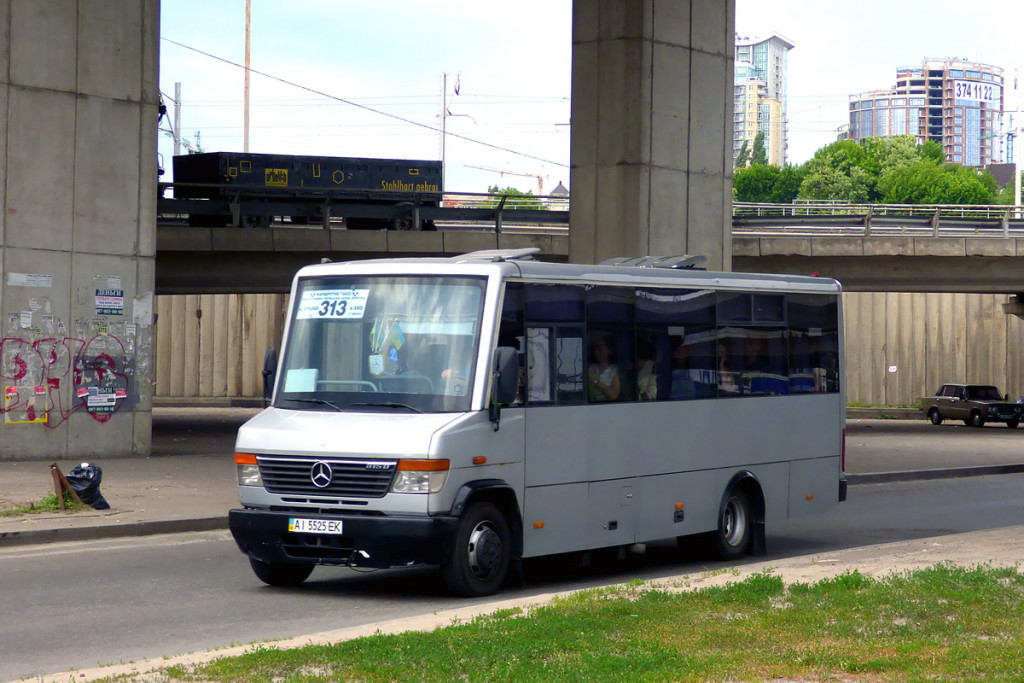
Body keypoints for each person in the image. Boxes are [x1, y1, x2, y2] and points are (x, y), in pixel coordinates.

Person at [588, 332, 621, 401]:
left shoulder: (615, 370)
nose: (596, 353)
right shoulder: (591, 368)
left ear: (609, 351)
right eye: (595, 349)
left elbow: (613, 396)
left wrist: (596, 381)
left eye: (600, 349)